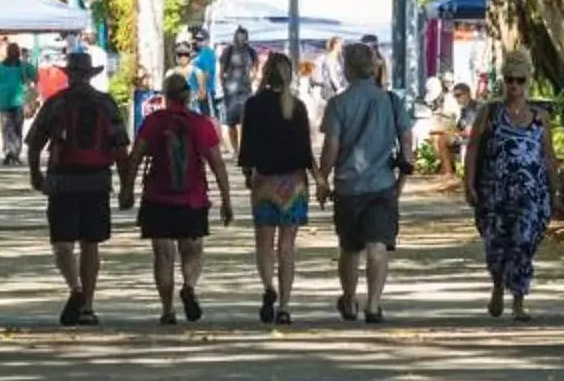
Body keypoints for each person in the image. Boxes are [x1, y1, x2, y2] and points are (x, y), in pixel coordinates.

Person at [26, 47, 130, 325]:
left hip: (62, 182)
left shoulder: (56, 103)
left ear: (69, 75)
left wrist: (35, 173)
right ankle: (88, 306)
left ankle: (75, 289)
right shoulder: (106, 103)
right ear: (90, 75)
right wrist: (126, 186)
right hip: (97, 181)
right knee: (91, 244)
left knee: (62, 244)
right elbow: (121, 149)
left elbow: (34, 142)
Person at [123, 72, 232, 323]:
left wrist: (127, 188)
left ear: (165, 97)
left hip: (157, 198)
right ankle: (190, 286)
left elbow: (136, 156)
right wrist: (226, 199)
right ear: (187, 95)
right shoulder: (201, 123)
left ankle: (167, 310)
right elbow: (217, 163)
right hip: (192, 199)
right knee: (192, 250)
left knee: (163, 255)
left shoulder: (153, 122)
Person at [317, 40, 412, 324]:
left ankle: (349, 298)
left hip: (348, 187)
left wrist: (323, 178)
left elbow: (331, 146)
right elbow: (407, 142)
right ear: (373, 67)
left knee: (349, 247)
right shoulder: (391, 101)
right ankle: (373, 304)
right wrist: (402, 180)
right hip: (382, 183)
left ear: (347, 69)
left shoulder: (338, 104)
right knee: (378, 245)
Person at [460, 51, 553, 320]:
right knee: (497, 244)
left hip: (530, 193)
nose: (514, 86)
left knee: (523, 243)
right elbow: (474, 148)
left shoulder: (539, 116)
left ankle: (519, 300)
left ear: (528, 81)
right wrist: (469, 183)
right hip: (495, 192)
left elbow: (548, 156)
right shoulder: (489, 113)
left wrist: (555, 191)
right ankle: (498, 285)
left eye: (520, 80)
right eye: (509, 80)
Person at [233, 49, 314, 322]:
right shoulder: (298, 106)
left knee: (264, 243)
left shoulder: (254, 105)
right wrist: (318, 178)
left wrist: (247, 173)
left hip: (265, 181)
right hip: (293, 183)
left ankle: (269, 287)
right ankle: (285, 306)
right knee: (287, 245)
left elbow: (247, 147)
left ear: (266, 74)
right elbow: (305, 150)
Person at [0, 40, 39, 165]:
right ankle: (14, 152)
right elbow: (36, 77)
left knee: (6, 128)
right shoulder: (24, 66)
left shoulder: (0, 66)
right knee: (17, 128)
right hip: (19, 102)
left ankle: (9, 151)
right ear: (18, 53)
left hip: (5, 101)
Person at [218, 27, 257, 126]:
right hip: (231, 92)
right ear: (235, 37)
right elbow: (221, 73)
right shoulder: (228, 50)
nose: (242, 40)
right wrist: (224, 87)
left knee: (246, 121)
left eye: (244, 37)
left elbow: (255, 70)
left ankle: (243, 141)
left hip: (246, 91)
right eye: (240, 37)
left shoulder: (251, 51)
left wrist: (250, 81)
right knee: (231, 123)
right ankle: (234, 142)